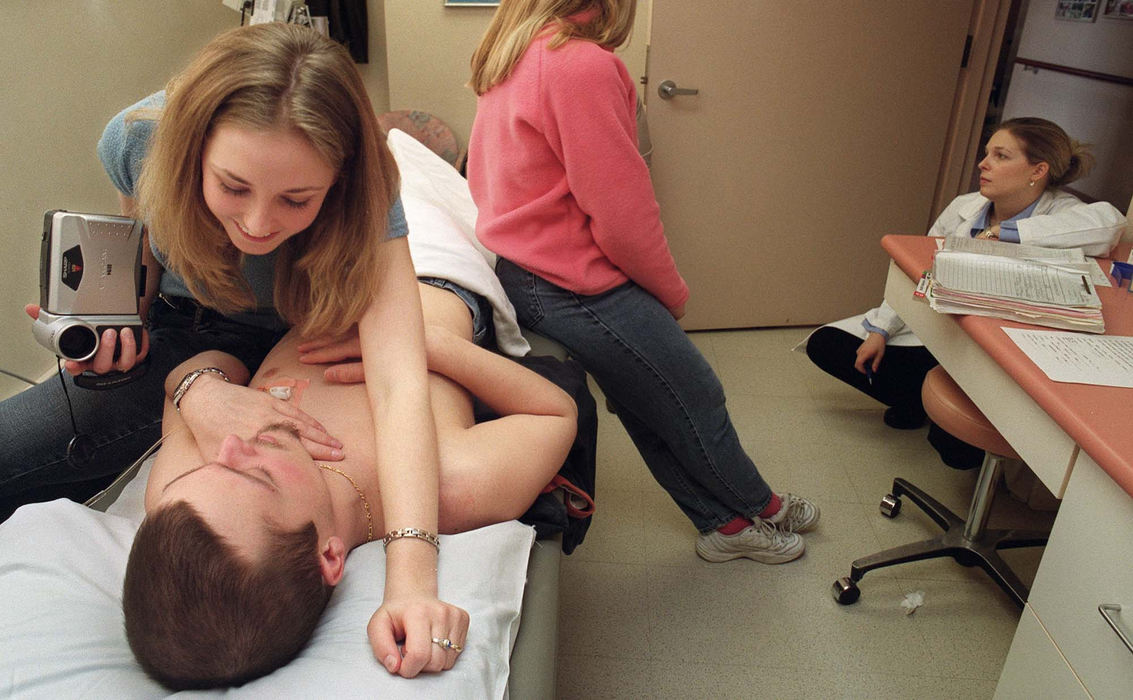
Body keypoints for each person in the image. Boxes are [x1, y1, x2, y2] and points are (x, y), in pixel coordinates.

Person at [0, 21, 460, 680]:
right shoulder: (139, 141)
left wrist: (411, 576)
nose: (257, 225)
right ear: (191, 153)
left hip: (301, 332)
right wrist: (113, 334)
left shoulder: (368, 191)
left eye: (297, 200)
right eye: (233, 187)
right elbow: (146, 281)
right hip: (184, 331)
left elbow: (400, 384)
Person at [463, 0, 819, 564]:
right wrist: (669, 292)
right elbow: (624, 215)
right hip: (570, 282)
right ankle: (762, 504)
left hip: (527, 272)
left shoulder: (512, 52)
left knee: (643, 400)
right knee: (695, 393)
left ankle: (722, 526)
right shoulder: (579, 64)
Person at [124, 279, 577, 689]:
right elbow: (555, 413)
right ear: (330, 555)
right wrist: (419, 346)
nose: (231, 447)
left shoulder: (180, 500)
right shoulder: (453, 487)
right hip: (431, 269)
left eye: (210, 465)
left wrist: (202, 390)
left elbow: (209, 364)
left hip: (323, 260)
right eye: (257, 474)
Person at [805, 117, 1127, 467]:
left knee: (956, 451)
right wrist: (881, 329)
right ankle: (919, 401)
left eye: (1001, 156)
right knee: (827, 344)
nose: (983, 164)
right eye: (987, 153)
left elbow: (1108, 225)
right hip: (939, 330)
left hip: (991, 348)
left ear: (1038, 170)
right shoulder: (965, 206)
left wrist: (1005, 233)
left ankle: (935, 407)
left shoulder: (1065, 212)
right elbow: (917, 271)